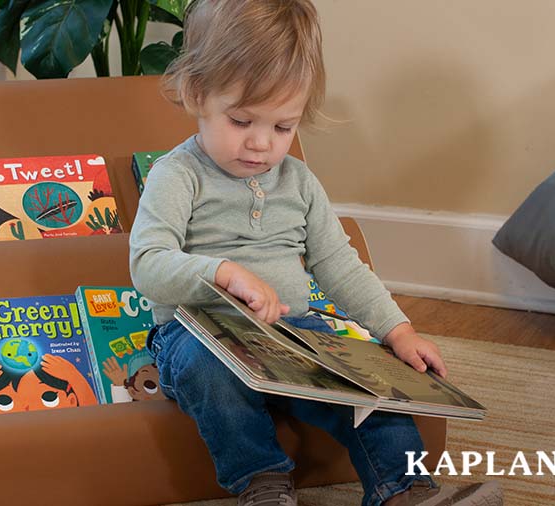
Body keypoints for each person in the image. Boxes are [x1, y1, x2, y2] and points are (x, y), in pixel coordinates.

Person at [128, 1, 502, 505]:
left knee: (374, 388)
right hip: (197, 336)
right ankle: (261, 484)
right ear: (198, 95)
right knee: (204, 367)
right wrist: (222, 273)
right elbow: (148, 264)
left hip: (295, 336)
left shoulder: (299, 182)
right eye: (242, 120)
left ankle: (404, 490)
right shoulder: (178, 175)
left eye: (284, 128)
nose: (261, 143)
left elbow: (339, 265)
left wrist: (397, 330)